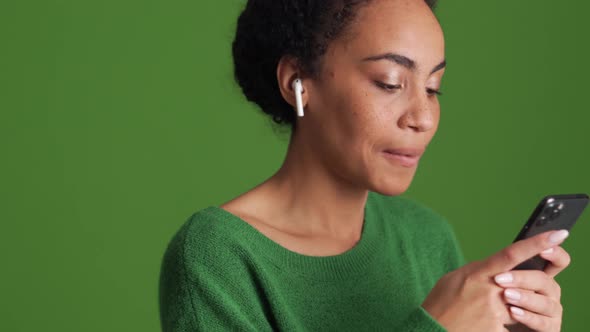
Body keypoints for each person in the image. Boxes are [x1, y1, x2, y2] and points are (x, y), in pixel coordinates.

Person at [159, 0, 571, 331]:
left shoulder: (426, 237)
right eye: (390, 82)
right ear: (296, 82)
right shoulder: (218, 255)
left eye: (433, 88)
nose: (422, 117)